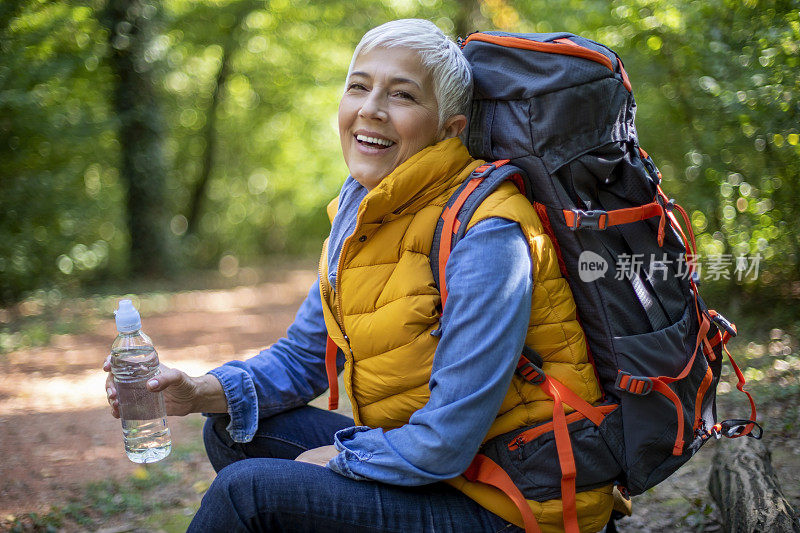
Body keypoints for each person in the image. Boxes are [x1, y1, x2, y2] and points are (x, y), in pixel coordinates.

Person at [104, 18, 613, 532]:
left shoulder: (487, 232)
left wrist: (340, 459)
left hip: (516, 501)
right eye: (359, 86)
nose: (371, 109)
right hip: (445, 473)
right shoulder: (363, 210)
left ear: (450, 129)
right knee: (231, 430)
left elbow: (446, 440)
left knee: (248, 494)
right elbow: (302, 358)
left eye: (403, 96)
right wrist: (194, 391)